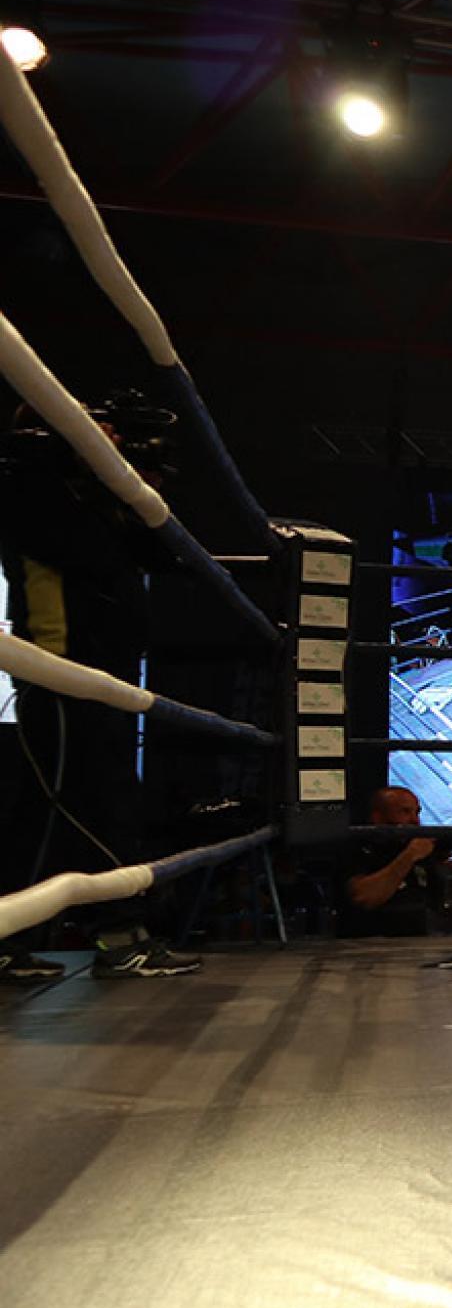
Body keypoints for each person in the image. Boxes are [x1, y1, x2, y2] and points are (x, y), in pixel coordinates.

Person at [0, 406, 200, 981]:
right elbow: (84, 553)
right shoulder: (30, 484)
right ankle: (118, 934)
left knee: (59, 805)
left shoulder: (88, 498)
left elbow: (166, 553)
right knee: (87, 805)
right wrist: (84, 457)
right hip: (62, 671)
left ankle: (22, 941)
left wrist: (131, 488)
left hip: (101, 677)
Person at [341, 786, 452, 937]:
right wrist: (409, 856)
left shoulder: (425, 853)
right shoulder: (358, 849)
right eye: (405, 812)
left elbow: (447, 909)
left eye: (417, 812)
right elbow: (364, 898)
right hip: (371, 940)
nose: (415, 820)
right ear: (378, 817)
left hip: (422, 940)